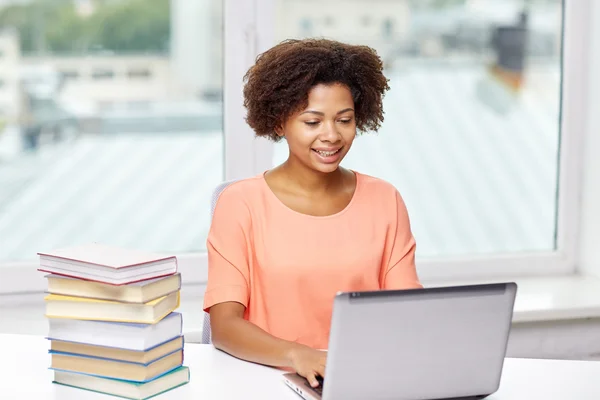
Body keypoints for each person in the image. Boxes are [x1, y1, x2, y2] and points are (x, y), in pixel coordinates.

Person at [203, 38, 422, 388]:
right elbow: (224, 327)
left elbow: (407, 311)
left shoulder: (385, 199)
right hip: (268, 380)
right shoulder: (240, 203)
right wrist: (297, 355)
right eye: (312, 121)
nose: (331, 136)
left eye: (344, 120)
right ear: (278, 123)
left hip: (362, 380)